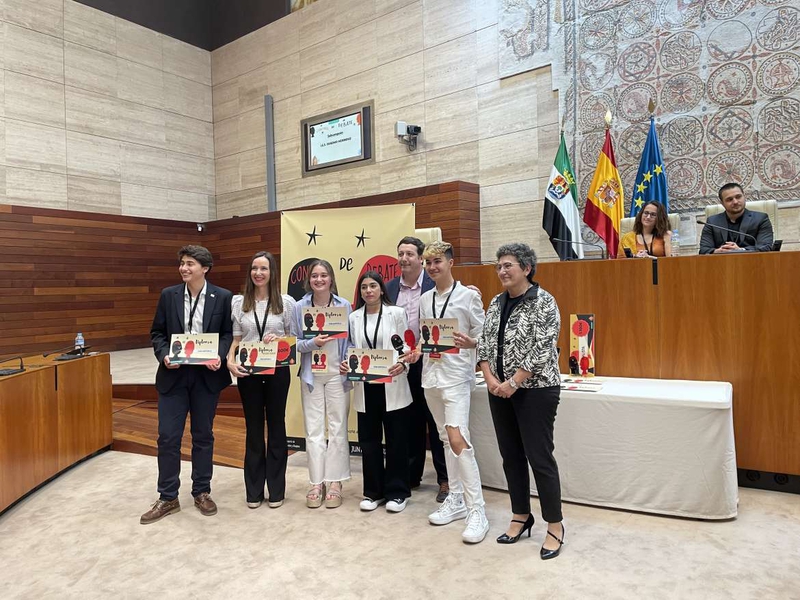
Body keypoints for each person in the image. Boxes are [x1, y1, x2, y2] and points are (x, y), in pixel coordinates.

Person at [477, 242, 566, 560]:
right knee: (510, 456)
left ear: (526, 268)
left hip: (536, 391)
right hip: (498, 390)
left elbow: (543, 348)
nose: (501, 271)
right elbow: (484, 343)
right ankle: (520, 515)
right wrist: (490, 379)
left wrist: (514, 383)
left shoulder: (545, 302)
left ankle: (554, 525)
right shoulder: (496, 302)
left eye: (508, 265)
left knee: (540, 458)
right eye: (498, 266)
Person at [141, 245, 233, 524]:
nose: (184, 268)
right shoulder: (168, 295)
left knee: (203, 436)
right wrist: (164, 354)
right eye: (182, 263)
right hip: (174, 376)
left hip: (206, 377)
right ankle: (168, 496)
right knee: (168, 436)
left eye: (190, 264)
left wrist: (219, 354)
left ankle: (202, 491)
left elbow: (228, 333)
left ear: (205, 268)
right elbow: (157, 332)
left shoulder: (223, 297)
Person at [414, 241, 489, 543]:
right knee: (445, 439)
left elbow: (484, 336)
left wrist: (471, 343)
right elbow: (425, 337)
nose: (432, 267)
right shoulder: (424, 300)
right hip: (431, 377)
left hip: (457, 377)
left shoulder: (468, 296)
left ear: (450, 262)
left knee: (459, 439)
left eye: (437, 262)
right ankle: (456, 498)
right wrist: (415, 351)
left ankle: (477, 510)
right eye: (428, 262)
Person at [227, 251, 297, 510]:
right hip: (248, 372)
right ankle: (254, 490)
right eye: (255, 268)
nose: (258, 273)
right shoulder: (238, 302)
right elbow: (236, 339)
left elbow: (292, 339)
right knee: (254, 428)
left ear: (272, 272)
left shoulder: (287, 302)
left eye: (264, 268)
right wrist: (230, 361)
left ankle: (277, 490)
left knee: (277, 426)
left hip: (277, 370)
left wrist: (279, 341)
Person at [341, 271, 414, 513]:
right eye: (364, 287)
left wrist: (404, 363)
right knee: (369, 442)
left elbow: (406, 346)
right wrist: (346, 364)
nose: (368, 291)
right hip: (366, 385)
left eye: (373, 286)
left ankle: (398, 492)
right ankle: (373, 492)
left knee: (396, 441)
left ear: (382, 289)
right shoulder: (354, 317)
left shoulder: (396, 313)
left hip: (392, 383)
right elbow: (351, 348)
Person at [385, 236, 449, 502]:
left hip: (431, 360)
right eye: (400, 253)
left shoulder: (436, 284)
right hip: (401, 363)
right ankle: (412, 475)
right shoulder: (388, 288)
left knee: (436, 422)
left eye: (410, 254)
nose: (404, 259)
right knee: (408, 420)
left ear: (420, 258)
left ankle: (444, 479)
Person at [296, 259, 352, 509]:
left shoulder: (344, 305)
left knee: (338, 428)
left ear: (331, 279)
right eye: (315, 276)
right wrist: (312, 343)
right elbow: (294, 343)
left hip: (336, 375)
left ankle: (336, 481)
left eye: (324, 275)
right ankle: (316, 482)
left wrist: (348, 362)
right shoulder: (300, 307)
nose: (319, 280)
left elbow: (351, 342)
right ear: (309, 280)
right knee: (314, 430)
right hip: (311, 377)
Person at [699, 183, 774, 254]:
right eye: (729, 199)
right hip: (722, 264)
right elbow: (703, 250)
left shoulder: (761, 219)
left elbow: (765, 247)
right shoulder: (712, 222)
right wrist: (718, 251)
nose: (735, 202)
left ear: (744, 196)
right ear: (722, 203)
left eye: (738, 197)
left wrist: (740, 250)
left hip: (753, 263)